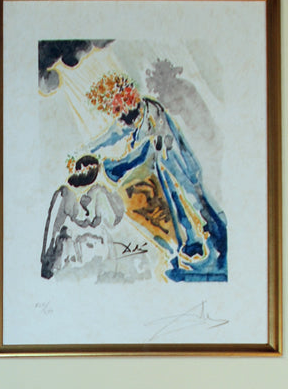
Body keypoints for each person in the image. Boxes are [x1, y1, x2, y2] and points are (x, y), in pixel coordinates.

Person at [85, 72, 227, 282]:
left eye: (118, 106)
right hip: (166, 173)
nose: (118, 113)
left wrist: (114, 166)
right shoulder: (131, 116)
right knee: (179, 210)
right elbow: (115, 133)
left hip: (180, 169)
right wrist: (89, 148)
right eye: (114, 110)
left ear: (128, 97)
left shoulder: (151, 111)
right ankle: (195, 247)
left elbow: (148, 147)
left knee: (195, 206)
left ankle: (213, 250)